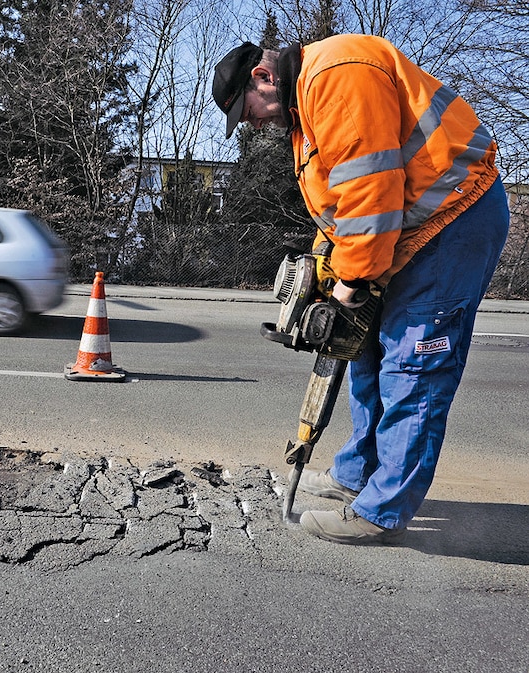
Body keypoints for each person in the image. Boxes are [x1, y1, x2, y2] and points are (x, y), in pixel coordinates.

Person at [212, 34, 510, 543]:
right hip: (405, 233)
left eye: (248, 112)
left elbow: (371, 191)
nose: (253, 124)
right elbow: (340, 204)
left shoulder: (336, 74)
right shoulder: (305, 106)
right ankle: (357, 473)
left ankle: (383, 510)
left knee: (414, 364)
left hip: (451, 220)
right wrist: (330, 261)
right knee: (362, 348)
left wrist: (350, 283)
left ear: (263, 77)